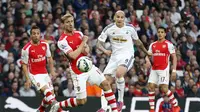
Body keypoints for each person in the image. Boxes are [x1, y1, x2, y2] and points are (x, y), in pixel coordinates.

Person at [51, 13, 119, 112]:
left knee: (106, 84)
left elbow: (86, 51)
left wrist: (86, 46)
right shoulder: (62, 41)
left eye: (71, 21)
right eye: (67, 22)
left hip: (88, 66)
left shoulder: (79, 34)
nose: (70, 24)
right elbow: (73, 56)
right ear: (63, 25)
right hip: (77, 72)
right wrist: (83, 43)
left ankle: (115, 110)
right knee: (81, 101)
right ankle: (58, 105)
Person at [96, 10, 151, 112]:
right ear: (114, 18)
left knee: (119, 73)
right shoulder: (109, 28)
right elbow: (98, 43)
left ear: (124, 18)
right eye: (118, 17)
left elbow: (138, 42)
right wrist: (104, 50)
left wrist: (146, 52)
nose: (120, 19)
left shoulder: (130, 28)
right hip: (114, 57)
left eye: (122, 17)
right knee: (104, 82)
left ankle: (120, 101)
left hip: (127, 55)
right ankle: (103, 108)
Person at [21, 26, 62, 112]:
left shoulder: (45, 44)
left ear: (40, 35)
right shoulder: (26, 49)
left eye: (37, 33)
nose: (36, 35)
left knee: (51, 95)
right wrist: (28, 79)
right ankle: (60, 110)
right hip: (34, 74)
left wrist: (52, 71)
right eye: (34, 34)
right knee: (47, 92)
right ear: (31, 35)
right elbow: (24, 65)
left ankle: (40, 110)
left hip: (44, 73)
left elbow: (49, 58)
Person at [145, 26, 181, 112]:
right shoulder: (152, 45)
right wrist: (147, 61)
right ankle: (152, 109)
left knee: (163, 88)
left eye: (162, 32)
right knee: (150, 87)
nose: (160, 34)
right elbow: (148, 56)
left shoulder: (169, 44)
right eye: (159, 32)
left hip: (163, 69)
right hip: (154, 69)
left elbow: (174, 57)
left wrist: (174, 70)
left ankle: (176, 106)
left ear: (165, 34)